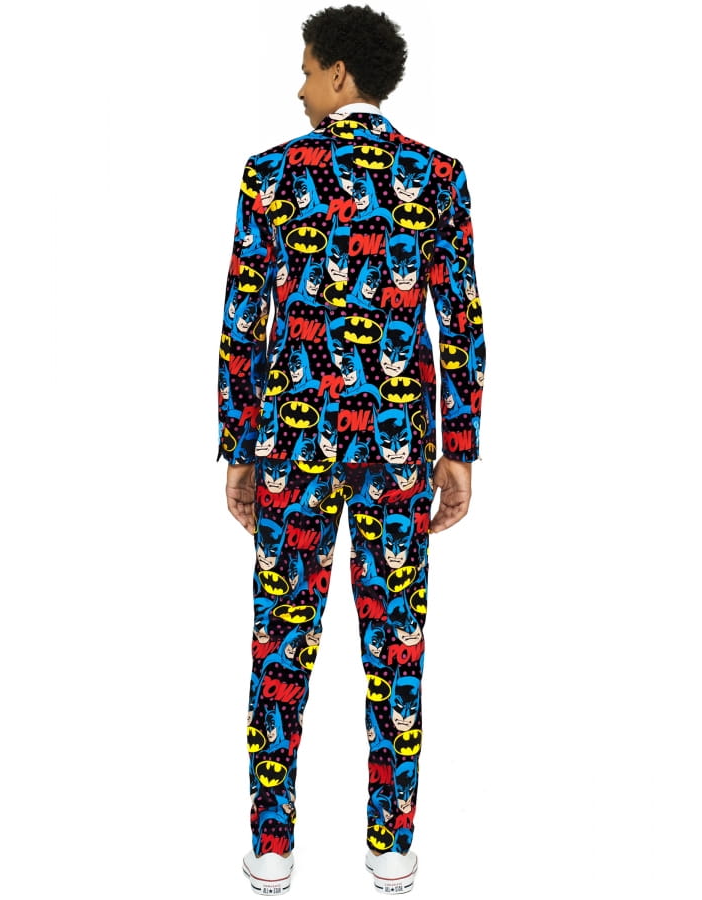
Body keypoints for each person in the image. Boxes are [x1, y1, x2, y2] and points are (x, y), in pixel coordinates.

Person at [217, 5, 485, 894]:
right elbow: (462, 320)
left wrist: (238, 445)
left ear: (339, 73)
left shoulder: (271, 175)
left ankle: (272, 848)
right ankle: (391, 845)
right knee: (396, 644)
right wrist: (459, 447)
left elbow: (242, 322)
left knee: (280, 643)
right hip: (398, 449)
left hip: (289, 444)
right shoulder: (436, 177)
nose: (298, 88)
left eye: (306, 69)